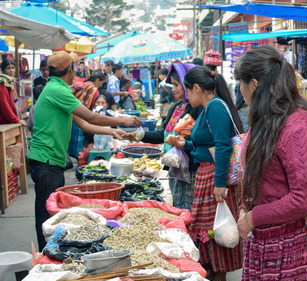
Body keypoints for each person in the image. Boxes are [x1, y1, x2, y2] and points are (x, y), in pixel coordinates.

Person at [234, 45, 307, 281]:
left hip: (296, 240)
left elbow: (304, 198)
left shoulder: (298, 125)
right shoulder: (267, 119)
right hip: (265, 237)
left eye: (240, 84)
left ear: (254, 84)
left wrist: (254, 217)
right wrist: (247, 207)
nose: (240, 91)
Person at [28, 51, 141, 251]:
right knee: (47, 216)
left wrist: (115, 132)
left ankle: (51, 252)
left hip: (49, 160)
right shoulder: (58, 90)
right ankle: (45, 256)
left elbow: (85, 124)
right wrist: (123, 120)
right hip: (46, 160)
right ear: (70, 69)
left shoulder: (56, 88)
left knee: (52, 213)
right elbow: (91, 117)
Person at [167, 66, 244, 281]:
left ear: (198, 88)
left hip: (213, 175)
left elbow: (222, 146)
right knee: (206, 227)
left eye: (188, 91)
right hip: (205, 173)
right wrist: (185, 144)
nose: (187, 96)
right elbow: (205, 145)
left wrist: (220, 184)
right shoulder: (208, 108)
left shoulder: (215, 108)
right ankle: (212, 271)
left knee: (216, 228)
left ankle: (220, 278)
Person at [140, 63, 202, 211]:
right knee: (178, 205)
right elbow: (164, 134)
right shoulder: (176, 107)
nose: (172, 89)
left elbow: (198, 139)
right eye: (172, 84)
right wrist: (142, 135)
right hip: (174, 167)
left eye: (176, 85)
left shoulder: (196, 108)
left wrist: (182, 142)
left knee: (189, 208)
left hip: (189, 169)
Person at [0, 59, 26, 126]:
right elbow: (4, 105)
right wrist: (15, 119)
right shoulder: (2, 83)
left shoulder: (10, 82)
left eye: (13, 68)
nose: (11, 70)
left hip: (9, 119)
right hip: (4, 121)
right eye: (8, 68)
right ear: (3, 70)